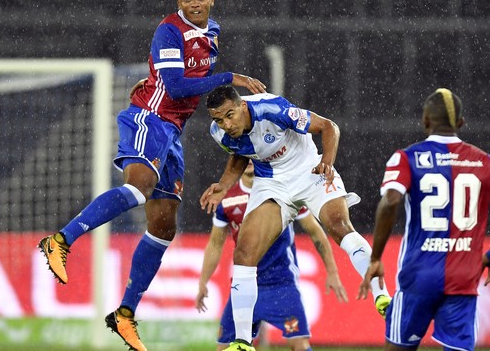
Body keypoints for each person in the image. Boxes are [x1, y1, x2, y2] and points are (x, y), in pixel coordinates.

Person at [37, 0, 266, 351]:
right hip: (149, 118)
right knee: (138, 188)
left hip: (172, 132)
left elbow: (187, 79)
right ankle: (61, 240)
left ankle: (125, 314)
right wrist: (231, 77)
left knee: (163, 227)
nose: (194, 3)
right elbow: (175, 86)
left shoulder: (212, 31)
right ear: (179, 0)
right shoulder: (168, 31)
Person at [200, 85, 390, 351]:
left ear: (242, 105)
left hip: (310, 171)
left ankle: (384, 299)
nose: (226, 124)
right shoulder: (219, 133)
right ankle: (242, 342)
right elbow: (240, 154)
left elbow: (329, 127)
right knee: (244, 253)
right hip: (272, 182)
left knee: (339, 227)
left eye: (230, 115)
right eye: (219, 119)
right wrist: (223, 185)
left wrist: (328, 162)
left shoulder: (273, 109)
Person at [358, 88, 490, 351]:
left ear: (425, 121)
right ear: (461, 124)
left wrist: (375, 259)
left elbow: (391, 201)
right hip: (464, 277)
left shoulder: (407, 158)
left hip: (418, 275)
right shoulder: (484, 162)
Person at [196, 160, 347, 351]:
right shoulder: (227, 199)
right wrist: (203, 282)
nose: (249, 160)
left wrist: (332, 271)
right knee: (225, 347)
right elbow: (215, 244)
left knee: (299, 345)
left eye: (253, 155)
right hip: (243, 286)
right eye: (245, 155)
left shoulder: (284, 191)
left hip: (281, 284)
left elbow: (316, 232)